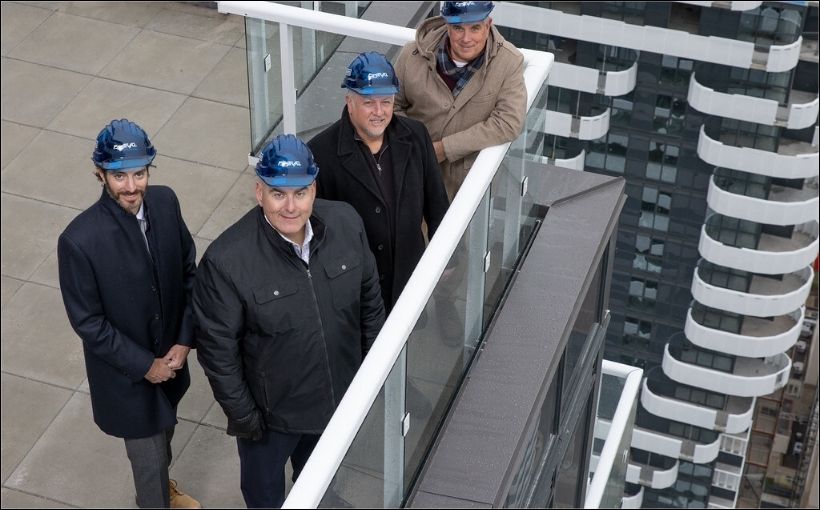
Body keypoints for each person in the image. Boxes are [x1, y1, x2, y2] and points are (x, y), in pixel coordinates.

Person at [192, 134, 386, 508]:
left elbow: (370, 303)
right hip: (271, 420)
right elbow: (218, 354)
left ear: (313, 189)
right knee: (265, 494)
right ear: (259, 192)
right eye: (278, 194)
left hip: (336, 399)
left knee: (321, 478)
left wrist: (370, 377)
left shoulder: (346, 223)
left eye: (300, 193)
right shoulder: (226, 261)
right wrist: (247, 419)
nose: (291, 206)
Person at [57, 119, 200, 509]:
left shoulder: (166, 202)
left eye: (139, 174)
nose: (132, 187)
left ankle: (159, 493)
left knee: (163, 440)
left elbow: (189, 271)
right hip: (127, 380)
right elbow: (88, 322)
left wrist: (185, 339)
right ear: (99, 174)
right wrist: (144, 366)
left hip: (171, 363)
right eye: (119, 177)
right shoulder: (79, 241)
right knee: (149, 462)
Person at [308, 51, 449, 312]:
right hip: (355, 289)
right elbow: (316, 234)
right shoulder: (320, 154)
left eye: (386, 102)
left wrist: (447, 259)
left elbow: (436, 202)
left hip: (410, 274)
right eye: (369, 103)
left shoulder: (416, 136)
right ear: (349, 101)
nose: (379, 112)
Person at [394, 0, 527, 200]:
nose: (466, 38)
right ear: (446, 24)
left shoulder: (509, 62)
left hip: (465, 188)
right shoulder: (411, 55)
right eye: (458, 28)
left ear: (488, 24)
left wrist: (445, 149)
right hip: (410, 171)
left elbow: (508, 122)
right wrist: (415, 145)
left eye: (475, 28)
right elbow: (392, 106)